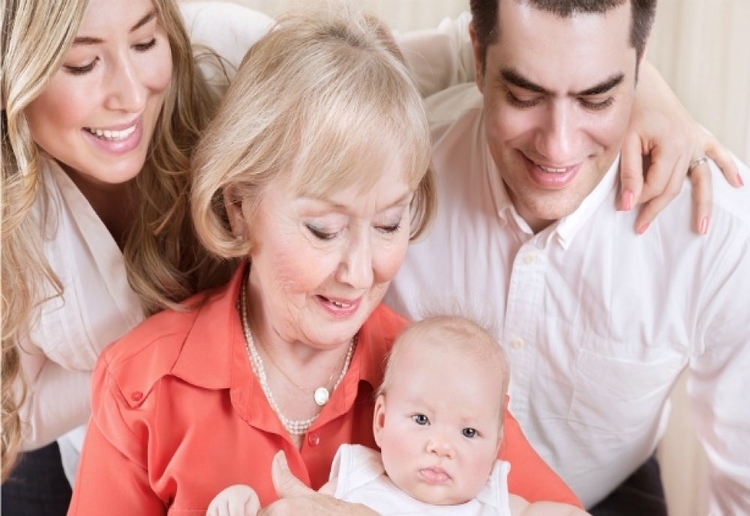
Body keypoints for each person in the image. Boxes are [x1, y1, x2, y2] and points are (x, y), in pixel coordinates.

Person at [66, 7, 590, 515]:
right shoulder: (142, 385)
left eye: (389, 224)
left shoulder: (446, 374)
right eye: (325, 230)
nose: (360, 274)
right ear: (239, 206)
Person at [384, 0, 750, 514]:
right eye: (523, 94)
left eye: (596, 99)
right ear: (477, 58)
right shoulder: (398, 170)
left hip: (604, 496)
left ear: (641, 67)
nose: (557, 148)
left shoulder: (717, 232)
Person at [0, 0, 271, 513]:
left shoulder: (234, 61)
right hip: (98, 459)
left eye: (146, 43)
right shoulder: (15, 212)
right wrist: (146, 357)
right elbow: (20, 410)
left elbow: (369, 83)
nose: (131, 95)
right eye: (83, 64)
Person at [208, 314, 590, 516]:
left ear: (496, 449)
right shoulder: (355, 482)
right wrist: (245, 504)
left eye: (469, 432)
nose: (441, 447)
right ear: (380, 421)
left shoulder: (497, 502)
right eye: (421, 419)